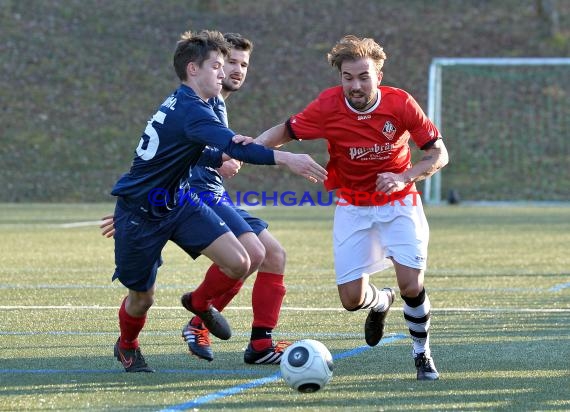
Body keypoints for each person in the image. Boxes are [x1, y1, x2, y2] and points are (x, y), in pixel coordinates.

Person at [109, 29, 326, 373]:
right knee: (141, 299)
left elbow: (193, 148)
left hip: (179, 201)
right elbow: (231, 146)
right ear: (193, 69)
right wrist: (287, 159)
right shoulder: (192, 110)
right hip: (141, 214)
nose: (224, 73)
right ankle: (128, 345)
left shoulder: (194, 105)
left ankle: (200, 307)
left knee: (243, 260)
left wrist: (217, 158)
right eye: (217, 66)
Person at [251, 35, 449, 380]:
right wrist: (245, 151)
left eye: (363, 76)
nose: (355, 85)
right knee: (351, 299)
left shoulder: (400, 104)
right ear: (340, 77)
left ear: (378, 76)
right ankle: (380, 302)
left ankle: (422, 355)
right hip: (352, 207)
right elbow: (284, 131)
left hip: (399, 203)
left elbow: (438, 154)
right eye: (348, 77)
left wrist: (405, 176)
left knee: (411, 285)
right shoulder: (328, 106)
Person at [181, 33, 291, 365]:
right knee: (253, 254)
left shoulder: (217, 103)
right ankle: (198, 316)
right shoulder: (202, 101)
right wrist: (217, 158)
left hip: (213, 192)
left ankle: (259, 345)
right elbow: (179, 145)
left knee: (273, 255)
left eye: (244, 64)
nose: (238, 70)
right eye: (231, 62)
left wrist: (229, 155)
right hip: (194, 192)